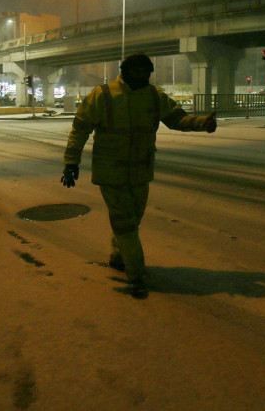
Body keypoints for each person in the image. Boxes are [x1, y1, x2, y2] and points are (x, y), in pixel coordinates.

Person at [61, 53, 217, 298]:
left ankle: (118, 256)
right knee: (124, 222)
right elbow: (79, 129)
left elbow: (177, 119)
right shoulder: (102, 95)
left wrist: (202, 123)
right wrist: (71, 162)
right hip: (111, 173)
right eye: (138, 72)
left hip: (141, 172)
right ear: (125, 71)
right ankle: (137, 276)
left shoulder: (154, 96)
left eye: (147, 73)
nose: (143, 77)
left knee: (132, 221)